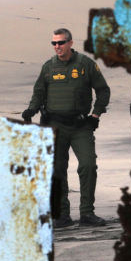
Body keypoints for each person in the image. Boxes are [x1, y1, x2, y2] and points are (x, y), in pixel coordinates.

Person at [21, 28, 110, 228]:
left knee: (88, 165)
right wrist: (31, 109)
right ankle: (62, 215)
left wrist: (95, 115)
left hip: (80, 126)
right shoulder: (48, 67)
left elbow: (103, 91)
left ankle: (87, 213)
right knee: (57, 170)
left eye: (60, 43)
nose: (57, 47)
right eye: (54, 43)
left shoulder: (85, 64)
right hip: (55, 126)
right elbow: (39, 92)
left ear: (70, 43)